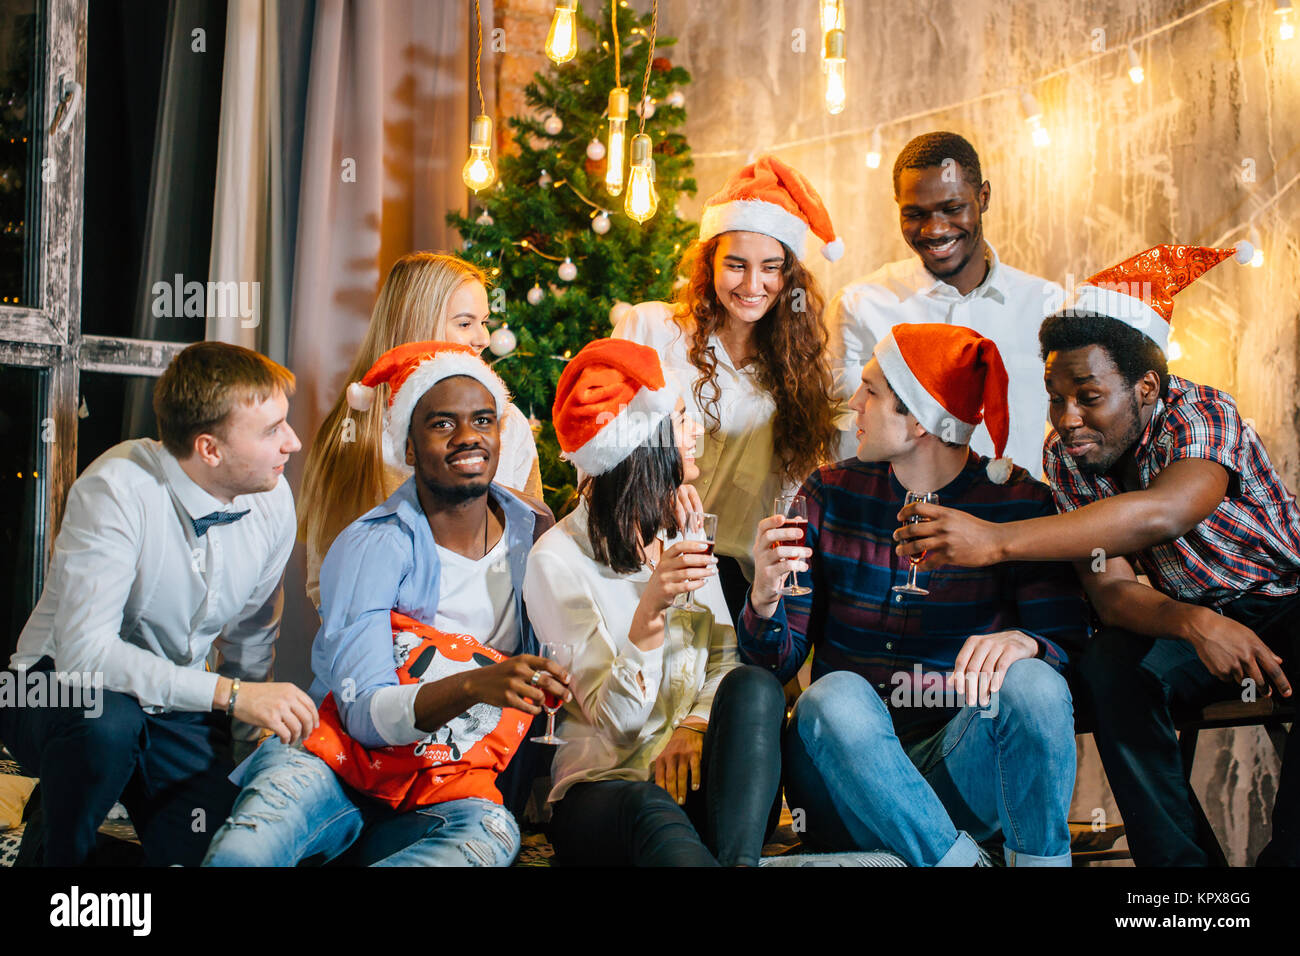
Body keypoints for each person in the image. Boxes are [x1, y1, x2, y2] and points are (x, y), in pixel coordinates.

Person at [894, 243, 1300, 866]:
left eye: (1088, 395)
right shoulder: (1070, 455)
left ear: (1145, 387)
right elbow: (1109, 591)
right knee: (1110, 666)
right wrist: (1195, 623)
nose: (1069, 418)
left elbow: (1164, 511)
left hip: (1286, 601)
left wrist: (997, 542)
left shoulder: (1199, 414)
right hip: (1193, 616)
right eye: (1057, 398)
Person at [739, 323, 1088, 866]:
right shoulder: (829, 492)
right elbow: (776, 665)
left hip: (958, 773)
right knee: (833, 696)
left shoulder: (1020, 502)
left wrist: (1031, 645)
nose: (853, 402)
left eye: (871, 391)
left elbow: (1067, 643)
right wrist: (763, 600)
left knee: (1036, 683)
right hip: (841, 785)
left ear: (922, 419)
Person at [204, 342, 564, 867]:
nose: (468, 437)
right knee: (246, 850)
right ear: (410, 449)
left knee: (488, 841)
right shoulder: (373, 544)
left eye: (482, 420)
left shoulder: (534, 530)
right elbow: (364, 714)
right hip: (335, 757)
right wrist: (476, 683)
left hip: (451, 777)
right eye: (443, 424)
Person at [0, 342, 315, 866]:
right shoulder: (116, 487)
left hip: (173, 700)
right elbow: (86, 657)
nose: (294, 442)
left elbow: (252, 637)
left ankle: (69, 805)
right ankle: (55, 859)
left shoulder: (273, 498)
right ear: (209, 449)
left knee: (213, 848)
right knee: (108, 726)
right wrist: (233, 695)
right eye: (272, 430)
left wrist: (235, 752)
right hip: (53, 688)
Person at [524, 338, 785, 867]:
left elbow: (723, 659)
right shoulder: (556, 559)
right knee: (646, 805)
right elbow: (616, 724)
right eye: (681, 419)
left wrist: (691, 729)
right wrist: (650, 614)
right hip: (607, 790)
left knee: (755, 686)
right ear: (641, 440)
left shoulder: (681, 529)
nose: (695, 433)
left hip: (692, 780)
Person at [615, 155, 842, 623]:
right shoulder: (652, 328)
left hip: (734, 577)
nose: (753, 285)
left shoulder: (800, 364)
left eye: (771, 268)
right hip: (642, 557)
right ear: (710, 262)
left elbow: (800, 478)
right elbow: (603, 437)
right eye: (736, 265)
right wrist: (626, 532)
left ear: (789, 273)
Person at [299, 252, 542, 608]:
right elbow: (328, 578)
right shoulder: (356, 431)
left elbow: (532, 544)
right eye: (464, 323)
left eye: (484, 321)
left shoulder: (510, 424)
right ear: (418, 325)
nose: (483, 338)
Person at [829, 131, 1062, 477]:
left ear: (983, 197)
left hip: (1012, 523)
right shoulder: (860, 305)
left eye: (952, 209)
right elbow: (844, 432)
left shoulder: (1047, 306)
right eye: (915, 214)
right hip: (890, 523)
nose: (935, 229)